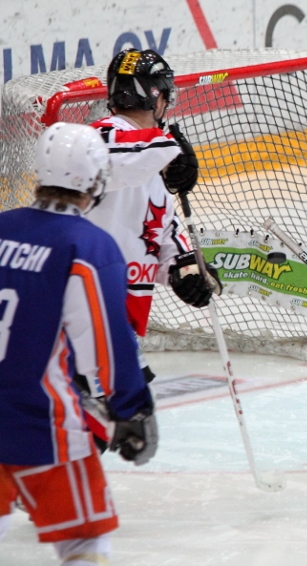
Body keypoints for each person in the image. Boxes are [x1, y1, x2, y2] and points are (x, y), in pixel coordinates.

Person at [0, 123, 159, 565]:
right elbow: (106, 345)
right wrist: (132, 408)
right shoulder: (86, 246)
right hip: (44, 425)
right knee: (84, 545)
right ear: (95, 179)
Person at [85, 47, 220, 387]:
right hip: (85, 316)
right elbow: (115, 155)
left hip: (119, 320)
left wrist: (186, 271)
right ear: (154, 95)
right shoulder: (97, 138)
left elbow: (161, 236)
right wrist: (167, 146)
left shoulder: (150, 163)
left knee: (119, 428)